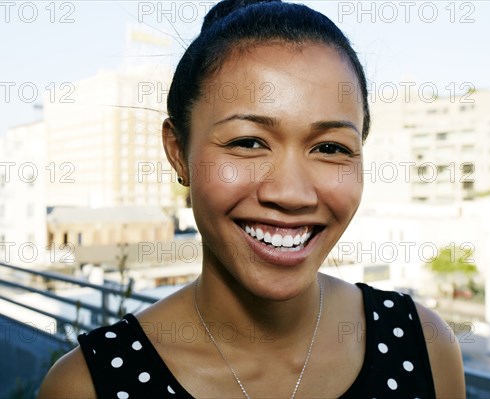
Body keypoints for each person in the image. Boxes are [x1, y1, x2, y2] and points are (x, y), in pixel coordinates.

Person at [38, 0, 465, 398]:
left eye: (331, 148)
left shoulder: (423, 344)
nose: (292, 193)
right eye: (248, 142)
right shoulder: (87, 385)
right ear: (177, 152)